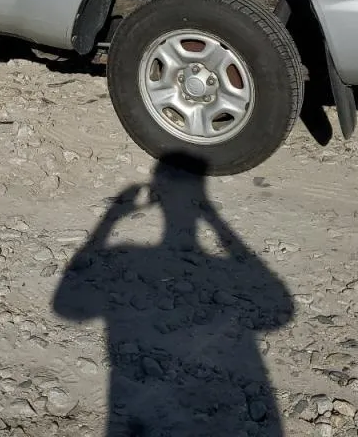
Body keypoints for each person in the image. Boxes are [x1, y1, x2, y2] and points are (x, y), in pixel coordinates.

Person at [53, 156, 294, 436]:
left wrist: (110, 219)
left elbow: (66, 306)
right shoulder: (212, 268)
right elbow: (280, 307)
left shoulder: (127, 256)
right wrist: (213, 218)